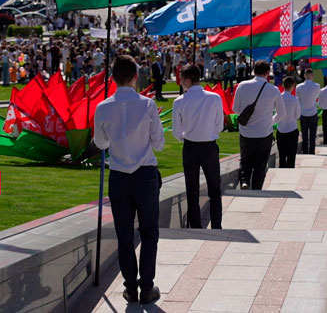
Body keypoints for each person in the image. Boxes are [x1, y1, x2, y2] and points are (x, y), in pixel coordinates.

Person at [94, 55, 165, 305]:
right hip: (144, 174)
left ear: (112, 78)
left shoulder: (103, 107)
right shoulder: (147, 105)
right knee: (149, 232)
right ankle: (145, 287)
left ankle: (131, 288)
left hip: (120, 177)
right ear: (136, 76)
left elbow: (100, 143)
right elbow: (159, 142)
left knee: (124, 234)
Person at [172, 64, 224, 229]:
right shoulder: (214, 98)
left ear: (187, 80)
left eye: (181, 79)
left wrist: (187, 137)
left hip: (191, 147)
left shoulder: (180, 101)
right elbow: (219, 125)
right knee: (214, 188)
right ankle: (216, 224)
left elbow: (176, 130)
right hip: (209, 146)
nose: (180, 82)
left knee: (192, 189)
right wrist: (207, 133)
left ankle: (195, 226)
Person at [233, 60, 286, 190]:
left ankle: (245, 181)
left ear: (253, 71)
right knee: (260, 164)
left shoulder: (242, 86)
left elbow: (236, 109)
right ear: (268, 73)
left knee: (245, 160)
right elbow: (282, 113)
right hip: (264, 133)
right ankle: (257, 188)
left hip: (246, 132)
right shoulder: (273, 89)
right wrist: (270, 122)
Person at [275, 76, 300, 168]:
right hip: (292, 129)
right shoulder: (295, 99)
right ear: (293, 86)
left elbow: (276, 113)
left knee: (282, 155)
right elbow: (297, 115)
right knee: (291, 155)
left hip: (281, 129)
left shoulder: (278, 98)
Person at [295, 68, 320, 154]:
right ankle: (312, 151)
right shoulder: (317, 86)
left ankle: (305, 150)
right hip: (312, 112)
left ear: (304, 75)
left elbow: (297, 100)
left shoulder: (298, 86)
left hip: (303, 113)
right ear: (312, 76)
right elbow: (316, 97)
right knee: (312, 135)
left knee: (304, 135)